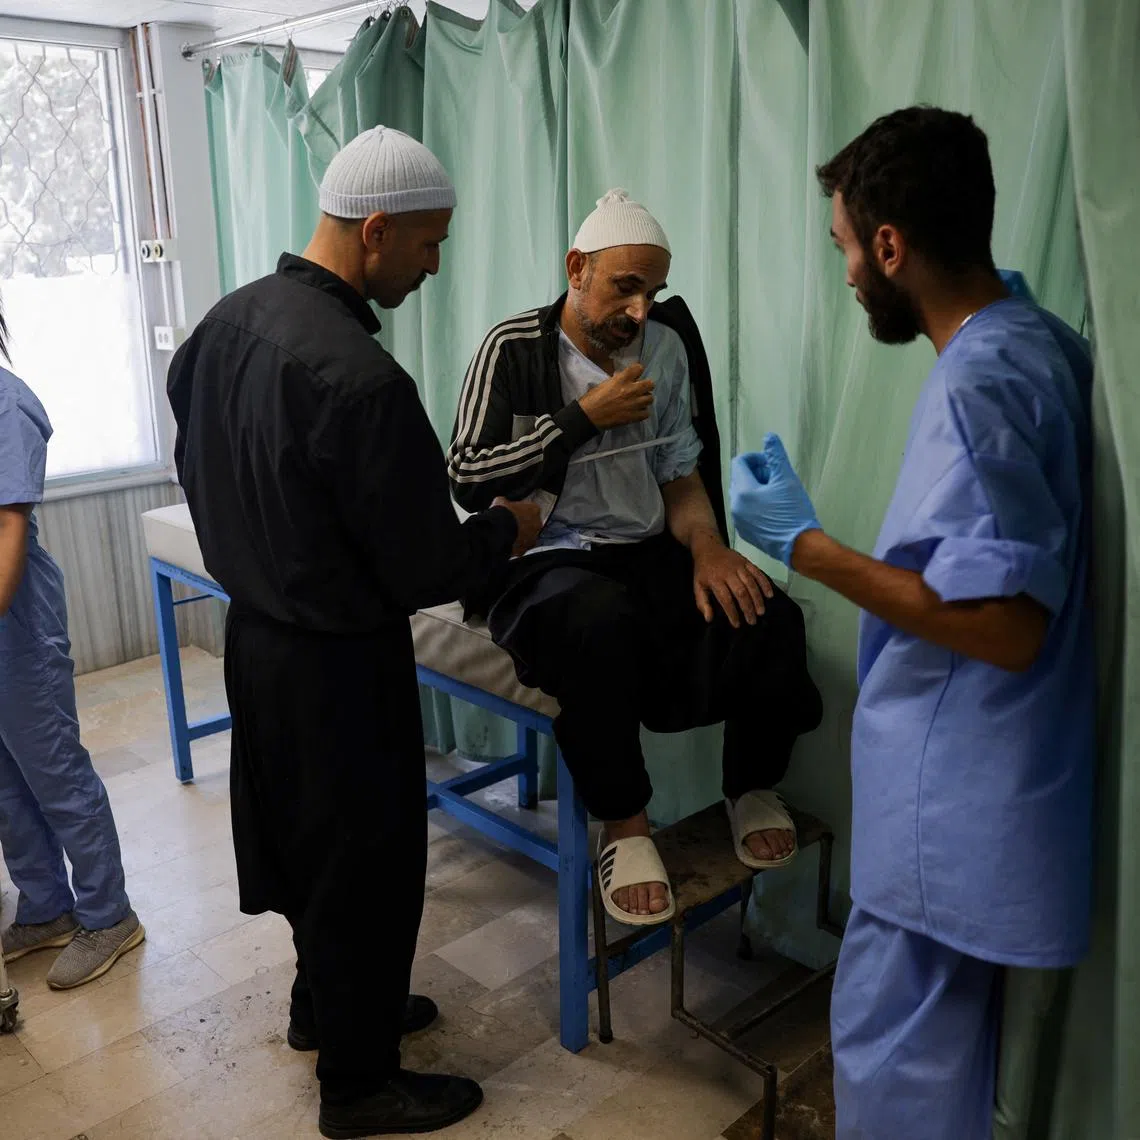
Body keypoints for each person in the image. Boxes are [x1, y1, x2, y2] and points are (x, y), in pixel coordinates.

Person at [167, 126, 541, 1139]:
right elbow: (429, 567)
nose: (435, 266)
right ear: (375, 231)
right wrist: (510, 526)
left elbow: (194, 465)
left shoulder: (221, 327)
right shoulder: (363, 382)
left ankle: (322, 1009)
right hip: (338, 665)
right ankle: (359, 1086)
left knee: (303, 847)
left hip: (258, 641)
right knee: (364, 869)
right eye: (429, 244)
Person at [729, 107, 1094, 1140]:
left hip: (949, 808)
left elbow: (1008, 624)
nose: (848, 274)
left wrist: (806, 547)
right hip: (999, 796)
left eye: (845, 247)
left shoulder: (977, 381)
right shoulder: (1037, 340)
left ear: (890, 246)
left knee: (897, 1076)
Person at [447, 189, 822, 928]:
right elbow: (465, 474)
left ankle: (749, 785)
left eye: (653, 291)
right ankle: (624, 823)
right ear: (576, 269)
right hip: (544, 557)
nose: (641, 309)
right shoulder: (513, 348)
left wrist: (708, 548)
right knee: (595, 621)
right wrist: (581, 418)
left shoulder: (664, 350)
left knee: (768, 613)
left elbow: (679, 471)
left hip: (644, 548)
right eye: (625, 287)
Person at [0, 299, 144, 989]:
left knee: (54, 770)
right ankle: (46, 905)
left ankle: (109, 913)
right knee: (6, 782)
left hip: (15, 628)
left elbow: (8, 529)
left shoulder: (7, 405)